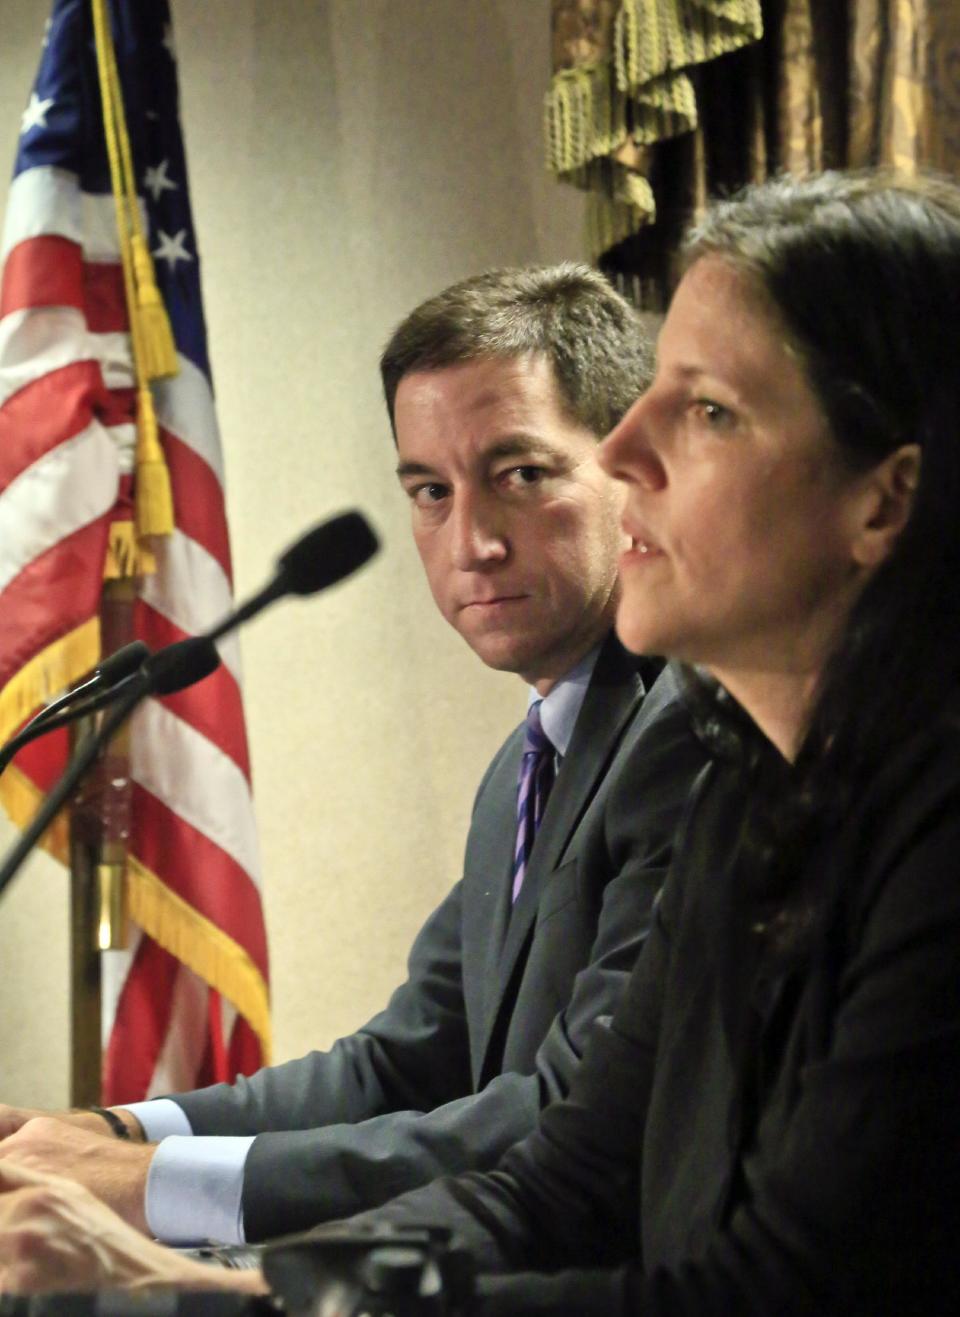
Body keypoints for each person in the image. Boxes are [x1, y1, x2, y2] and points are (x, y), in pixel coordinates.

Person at [4, 166, 959, 1316]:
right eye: (428, 490)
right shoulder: (749, 802)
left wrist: (204, 1279)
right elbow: (550, 1189)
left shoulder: (925, 822)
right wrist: (244, 1288)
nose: (625, 451)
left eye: (707, 410)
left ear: (886, 500)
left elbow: (762, 1292)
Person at [0, 266, 704, 1248]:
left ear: (630, 468)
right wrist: (110, 1128)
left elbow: (565, 1115)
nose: (473, 542)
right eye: (430, 490)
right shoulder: (526, 765)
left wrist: (146, 1183)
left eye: (520, 475)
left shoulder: (688, 731)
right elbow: (402, 1061)